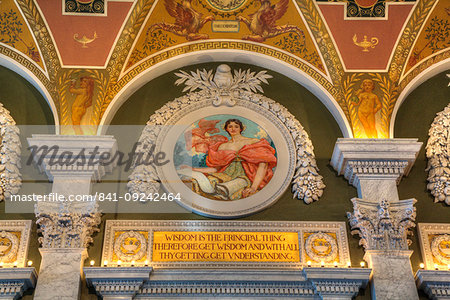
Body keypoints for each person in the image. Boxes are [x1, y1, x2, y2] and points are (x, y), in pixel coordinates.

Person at [179, 119, 277, 200]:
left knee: (225, 188)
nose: (233, 128)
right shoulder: (222, 146)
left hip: (247, 175)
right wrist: (194, 169)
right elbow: (216, 169)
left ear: (241, 128)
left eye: (236, 126)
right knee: (201, 183)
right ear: (226, 129)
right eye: (230, 126)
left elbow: (263, 165)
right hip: (225, 174)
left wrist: (253, 187)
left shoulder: (253, 141)